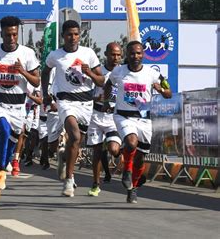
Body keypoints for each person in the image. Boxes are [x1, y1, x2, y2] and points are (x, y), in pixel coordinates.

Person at [0, 15, 40, 202]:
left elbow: (36, 80)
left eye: (14, 35)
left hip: (18, 106)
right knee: (4, 130)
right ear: (1, 34)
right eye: (7, 35)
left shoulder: (28, 54)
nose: (11, 39)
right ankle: (2, 170)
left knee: (12, 140)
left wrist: (22, 72)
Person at [41, 20, 104, 197]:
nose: (73, 38)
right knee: (74, 135)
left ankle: (65, 158)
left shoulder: (88, 54)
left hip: (86, 103)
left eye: (76, 34)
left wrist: (90, 73)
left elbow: (101, 80)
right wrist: (46, 93)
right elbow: (45, 72)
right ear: (63, 36)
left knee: (76, 142)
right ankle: (69, 181)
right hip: (65, 101)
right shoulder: (55, 55)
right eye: (69, 34)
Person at [104, 40, 172, 203]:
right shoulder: (119, 71)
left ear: (143, 54)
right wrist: (107, 101)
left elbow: (169, 92)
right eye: (132, 53)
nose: (136, 56)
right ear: (127, 55)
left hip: (143, 119)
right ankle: (126, 171)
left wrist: (161, 89)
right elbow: (108, 84)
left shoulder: (152, 73)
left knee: (141, 158)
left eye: (139, 53)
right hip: (123, 115)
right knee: (131, 142)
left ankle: (132, 188)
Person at [86, 42, 123, 197]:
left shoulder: (124, 72)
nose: (115, 58)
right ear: (106, 55)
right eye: (112, 54)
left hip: (113, 117)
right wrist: (96, 97)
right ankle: (96, 183)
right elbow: (85, 94)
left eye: (118, 55)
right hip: (96, 115)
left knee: (114, 149)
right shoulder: (99, 70)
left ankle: (122, 156)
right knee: (96, 152)